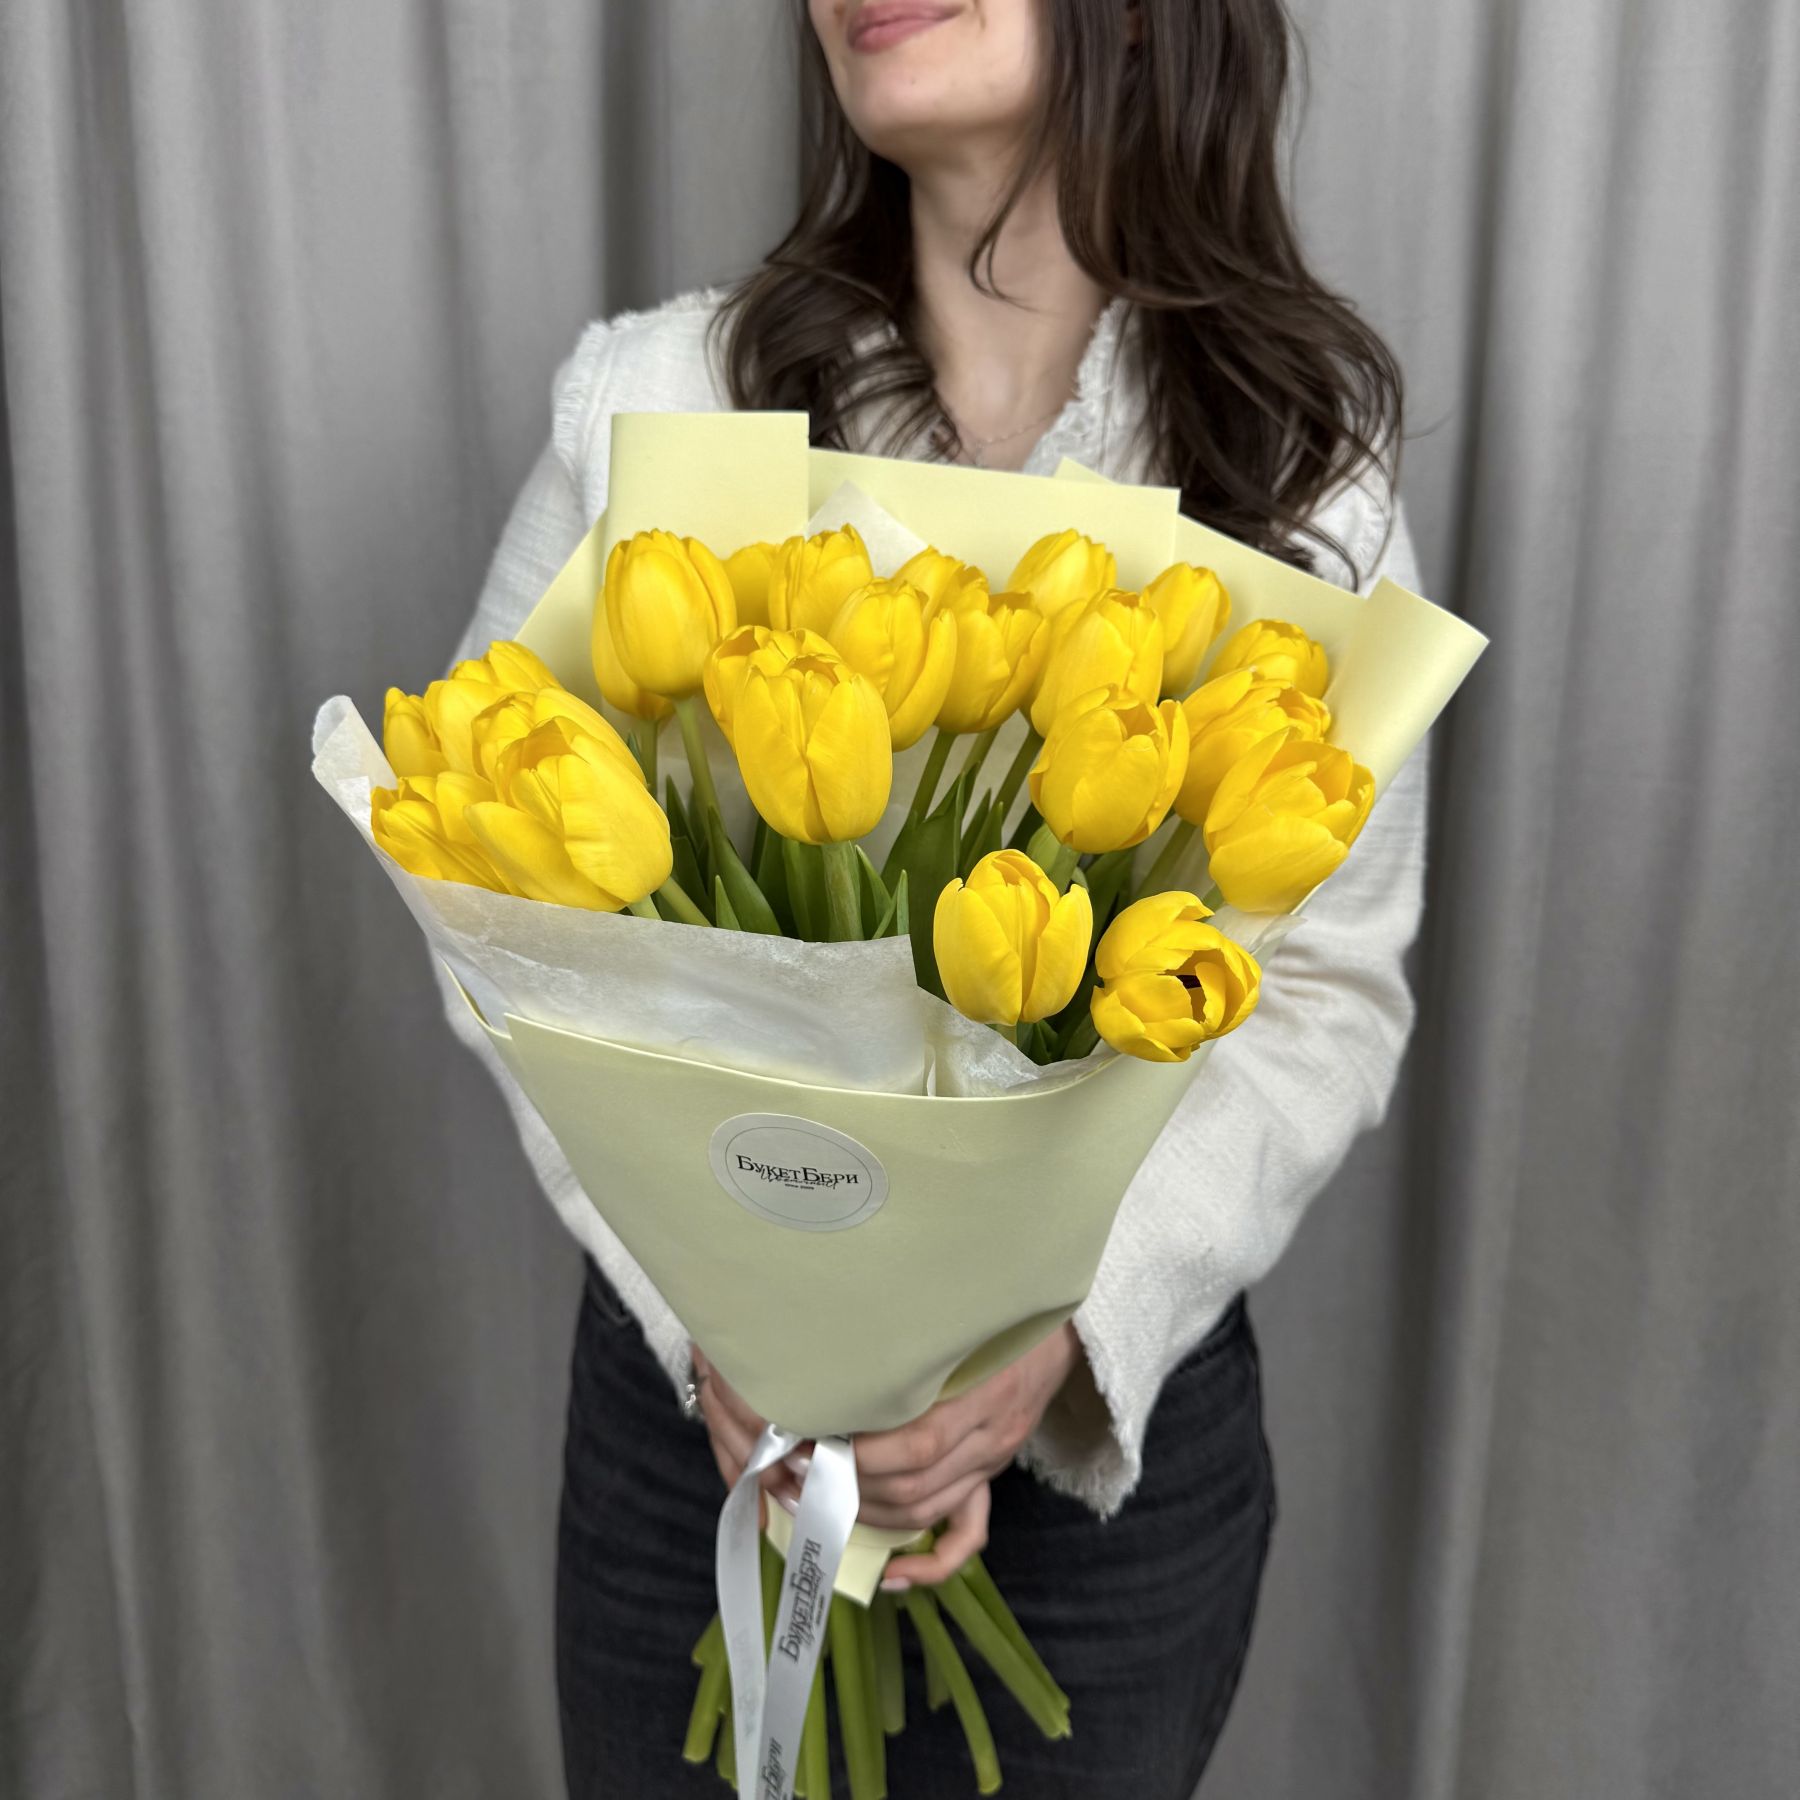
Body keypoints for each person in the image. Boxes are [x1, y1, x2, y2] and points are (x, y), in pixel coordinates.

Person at [446, 1, 1425, 1793]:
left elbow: (1330, 990)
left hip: (1099, 1465)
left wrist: (1063, 1334)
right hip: (705, 1434)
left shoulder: (1296, 464)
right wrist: (724, 1325)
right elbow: (489, 897)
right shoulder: (664, 402)